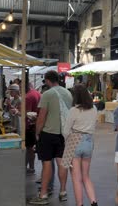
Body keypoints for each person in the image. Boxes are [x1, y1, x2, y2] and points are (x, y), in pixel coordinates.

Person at [29, 70, 73, 205]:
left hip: (48, 133)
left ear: (48, 80)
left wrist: (37, 132)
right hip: (63, 134)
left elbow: (42, 116)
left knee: (47, 163)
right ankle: (63, 192)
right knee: (62, 162)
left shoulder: (47, 94)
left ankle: (43, 195)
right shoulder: (67, 93)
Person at [61, 84, 98, 206]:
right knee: (86, 176)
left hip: (75, 141)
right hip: (88, 142)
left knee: (77, 179)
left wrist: (68, 140)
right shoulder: (94, 109)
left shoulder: (74, 110)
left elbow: (66, 131)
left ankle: (79, 204)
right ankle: (93, 202)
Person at [26, 82, 41, 175]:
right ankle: (31, 167)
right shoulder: (37, 93)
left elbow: (27, 113)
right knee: (31, 147)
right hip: (36, 124)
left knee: (29, 148)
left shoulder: (28, 97)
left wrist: (17, 111)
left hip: (30, 125)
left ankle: (30, 167)